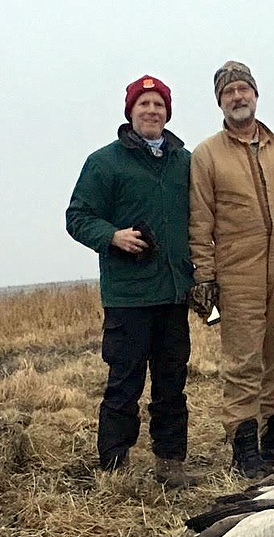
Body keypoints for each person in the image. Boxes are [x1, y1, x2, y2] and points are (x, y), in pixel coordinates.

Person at [65, 73, 199, 487]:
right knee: (124, 381)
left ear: (168, 113)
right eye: (144, 104)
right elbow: (77, 217)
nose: (152, 111)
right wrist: (112, 236)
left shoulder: (185, 162)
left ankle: (170, 462)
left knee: (172, 382)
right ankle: (114, 466)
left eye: (159, 105)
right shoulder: (105, 162)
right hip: (128, 296)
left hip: (175, 292)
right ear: (130, 112)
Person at [188, 61, 274, 479]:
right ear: (220, 102)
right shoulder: (207, 154)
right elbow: (200, 220)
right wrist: (204, 276)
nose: (238, 97)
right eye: (228, 92)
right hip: (237, 270)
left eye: (243, 89)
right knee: (243, 360)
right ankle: (244, 446)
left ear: (256, 94)